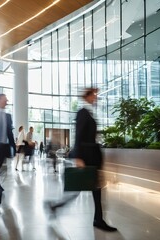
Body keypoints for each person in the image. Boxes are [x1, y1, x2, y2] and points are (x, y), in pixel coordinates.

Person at [46, 88, 117, 232]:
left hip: (91, 156)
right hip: (86, 157)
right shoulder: (83, 113)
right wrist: (78, 157)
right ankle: (55, 206)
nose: (96, 98)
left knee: (96, 189)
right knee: (79, 189)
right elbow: (78, 135)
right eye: (94, 95)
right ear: (88, 96)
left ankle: (98, 219)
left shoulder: (89, 112)